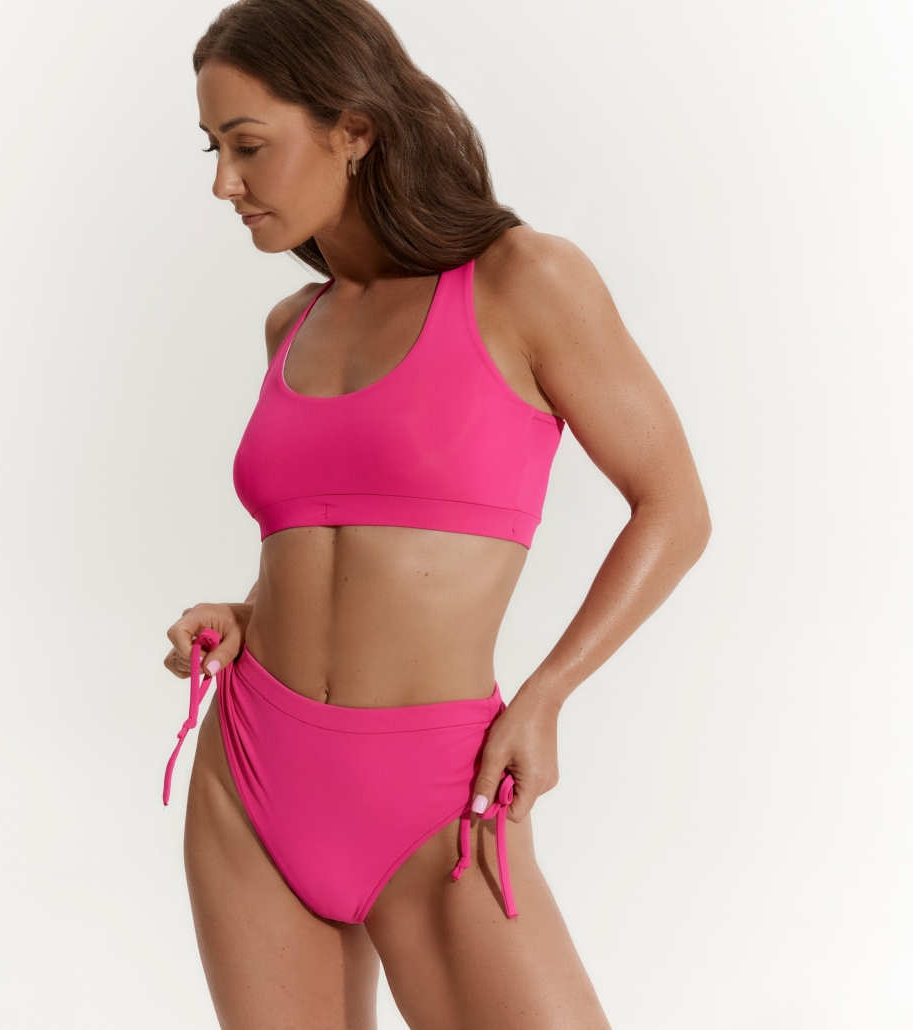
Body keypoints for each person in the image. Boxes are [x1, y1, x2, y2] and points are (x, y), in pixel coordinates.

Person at [161, 1, 711, 1027]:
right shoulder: (292, 324)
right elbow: (330, 539)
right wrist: (245, 613)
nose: (223, 183)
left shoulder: (525, 281)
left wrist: (545, 697)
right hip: (251, 770)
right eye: (212, 149)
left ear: (353, 129)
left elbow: (673, 508)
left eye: (247, 146)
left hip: (440, 790)